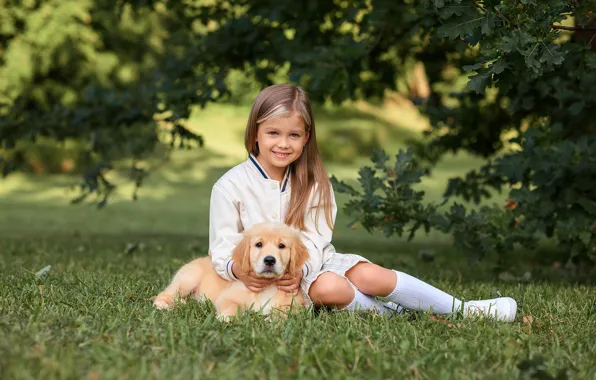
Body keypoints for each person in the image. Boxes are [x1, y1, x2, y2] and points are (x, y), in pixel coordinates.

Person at [208, 84, 517, 322]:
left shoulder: (315, 182)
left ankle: (463, 310)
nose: (283, 144)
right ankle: (399, 314)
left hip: (312, 264)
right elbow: (222, 247)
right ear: (256, 132)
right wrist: (239, 270)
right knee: (330, 289)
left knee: (370, 275)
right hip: (265, 279)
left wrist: (302, 270)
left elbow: (316, 239)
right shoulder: (230, 186)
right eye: (273, 132)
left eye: (294, 135)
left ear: (306, 137)